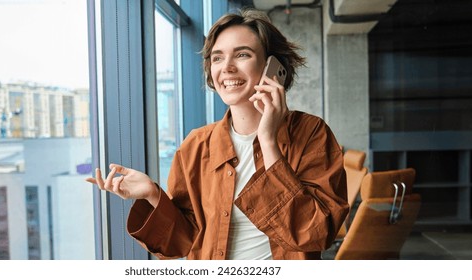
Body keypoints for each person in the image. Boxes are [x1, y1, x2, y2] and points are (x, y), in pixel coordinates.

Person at [87, 8, 348, 260]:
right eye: (217, 57)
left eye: (242, 55)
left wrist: (268, 142)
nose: (227, 67)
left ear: (273, 65)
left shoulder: (311, 133)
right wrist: (153, 195)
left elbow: (317, 233)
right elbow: (183, 242)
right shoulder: (196, 145)